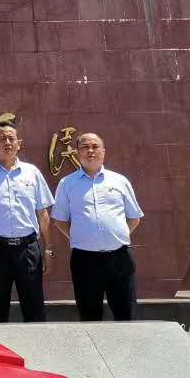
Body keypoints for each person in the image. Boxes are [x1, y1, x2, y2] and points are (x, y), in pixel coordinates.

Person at [0, 118, 54, 322]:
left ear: (18, 143)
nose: (7, 142)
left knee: (34, 309)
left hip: (28, 249)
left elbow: (43, 213)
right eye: (2, 139)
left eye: (11, 139)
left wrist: (48, 249)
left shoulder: (32, 173)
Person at [51, 131, 144, 321]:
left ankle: (126, 351)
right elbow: (59, 219)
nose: (90, 151)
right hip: (85, 260)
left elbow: (134, 217)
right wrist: (81, 237)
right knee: (89, 316)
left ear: (103, 151)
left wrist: (116, 237)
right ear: (77, 153)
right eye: (85, 147)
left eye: (95, 147)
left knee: (125, 315)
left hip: (120, 257)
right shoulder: (67, 184)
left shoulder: (119, 181)